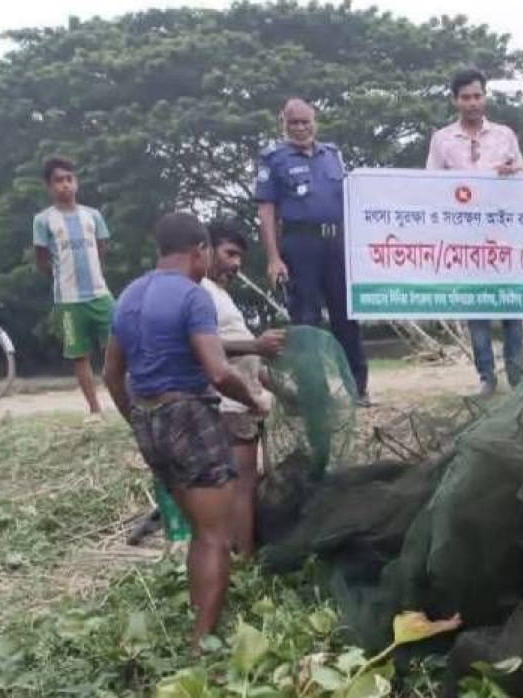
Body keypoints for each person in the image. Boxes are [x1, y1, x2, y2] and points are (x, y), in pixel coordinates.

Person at [102, 212, 268, 649]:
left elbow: (111, 374)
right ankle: (201, 644)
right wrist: (254, 400)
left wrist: (137, 420)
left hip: (148, 420)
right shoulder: (193, 296)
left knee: (200, 530)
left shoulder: (129, 295)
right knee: (214, 536)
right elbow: (218, 372)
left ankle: (200, 621)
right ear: (200, 250)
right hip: (190, 415)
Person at [254, 98, 371, 407]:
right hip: (299, 245)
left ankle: (358, 389)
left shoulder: (332, 155)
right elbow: (266, 212)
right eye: (294, 123)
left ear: (314, 121)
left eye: (306, 122)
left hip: (337, 243)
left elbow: (351, 200)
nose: (301, 128)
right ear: (284, 123)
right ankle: (316, 394)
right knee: (306, 320)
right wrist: (273, 258)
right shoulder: (273, 158)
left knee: (347, 315)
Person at [425, 68, 523, 397]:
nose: (472, 102)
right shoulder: (442, 139)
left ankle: (517, 375)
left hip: (503, 235)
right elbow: (430, 185)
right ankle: (486, 377)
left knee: (512, 306)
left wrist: (513, 173)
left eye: (477, 96)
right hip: (465, 240)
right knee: (476, 309)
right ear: (455, 100)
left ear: (485, 97)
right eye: (465, 97)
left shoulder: (505, 135)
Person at [202, 220, 287, 557]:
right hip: (231, 405)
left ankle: (236, 556)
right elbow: (204, 346)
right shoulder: (201, 292)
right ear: (206, 249)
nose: (236, 264)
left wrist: (277, 384)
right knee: (242, 487)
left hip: (242, 402)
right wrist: (256, 345)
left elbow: (246, 360)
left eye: (240, 257)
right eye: (230, 253)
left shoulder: (220, 295)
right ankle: (246, 563)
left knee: (239, 486)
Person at [32, 157, 115, 424]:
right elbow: (42, 259)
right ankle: (95, 410)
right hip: (68, 302)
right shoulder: (43, 220)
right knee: (80, 356)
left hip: (100, 295)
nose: (65, 185)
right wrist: (61, 278)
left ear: (76, 182)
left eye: (69, 179)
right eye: (59, 180)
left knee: (116, 348)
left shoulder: (93, 215)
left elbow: (101, 249)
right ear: (49, 186)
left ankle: (126, 401)